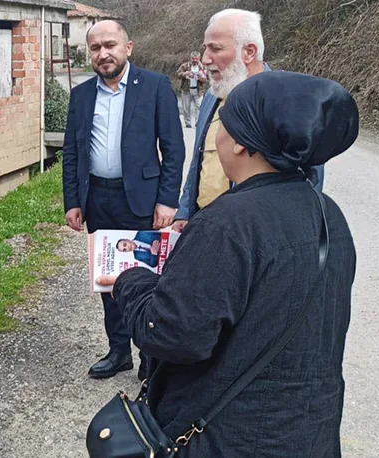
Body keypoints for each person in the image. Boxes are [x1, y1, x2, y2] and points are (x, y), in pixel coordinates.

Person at [98, 71, 358, 456]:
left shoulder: (228, 222)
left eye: (223, 124)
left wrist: (130, 280)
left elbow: (173, 333)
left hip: (230, 436)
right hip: (308, 431)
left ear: (239, 143)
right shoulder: (327, 212)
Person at [62, 19, 185, 380]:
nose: (104, 54)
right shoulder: (82, 95)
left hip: (143, 201)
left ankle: (151, 356)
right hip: (98, 198)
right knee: (109, 280)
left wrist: (167, 201)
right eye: (96, 48)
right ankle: (119, 352)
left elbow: (173, 149)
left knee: (148, 281)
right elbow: (72, 152)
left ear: (127, 47)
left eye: (110, 45)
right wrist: (73, 200)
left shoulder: (155, 86)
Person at [172, 8, 324, 233]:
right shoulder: (212, 97)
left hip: (255, 235)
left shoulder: (288, 105)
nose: (205, 59)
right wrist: (185, 212)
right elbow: (199, 159)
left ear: (249, 52)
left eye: (216, 48)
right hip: (203, 227)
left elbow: (310, 185)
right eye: (205, 48)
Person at [176, 51, 208, 128]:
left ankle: (198, 123)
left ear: (199, 58)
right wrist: (185, 74)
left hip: (198, 90)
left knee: (199, 106)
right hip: (186, 89)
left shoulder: (203, 67)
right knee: (186, 107)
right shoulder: (185, 66)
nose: (195, 60)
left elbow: (206, 79)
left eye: (196, 59)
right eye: (193, 59)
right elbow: (178, 74)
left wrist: (200, 78)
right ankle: (188, 123)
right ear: (190, 59)